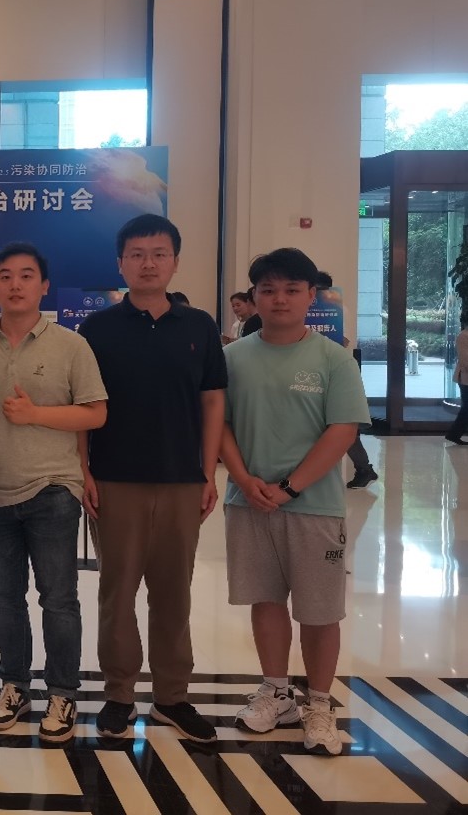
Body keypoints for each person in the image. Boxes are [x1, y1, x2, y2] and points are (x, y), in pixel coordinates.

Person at [78, 214, 227, 744]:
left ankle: (172, 696)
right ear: (120, 263)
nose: (148, 263)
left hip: (182, 480)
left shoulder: (199, 327)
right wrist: (84, 470)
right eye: (137, 254)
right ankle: (119, 693)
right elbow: (84, 406)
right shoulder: (96, 329)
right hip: (115, 480)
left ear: (175, 262)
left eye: (159, 253)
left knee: (174, 593)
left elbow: (213, 402)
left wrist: (207, 472)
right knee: (117, 593)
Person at [220, 248, 370, 756]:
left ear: (311, 295)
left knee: (320, 611)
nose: (279, 299)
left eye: (291, 289)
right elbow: (220, 424)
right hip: (249, 502)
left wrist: (289, 488)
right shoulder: (233, 358)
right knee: (265, 600)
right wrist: (245, 480)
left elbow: (342, 429)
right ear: (254, 296)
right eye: (268, 290)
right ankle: (277, 693)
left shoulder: (334, 358)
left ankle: (320, 703)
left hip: (314, 506)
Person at [0, 243, 107, 743]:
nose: (16, 284)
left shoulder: (72, 345)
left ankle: (63, 692)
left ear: (44, 286)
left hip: (53, 489)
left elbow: (95, 412)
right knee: (5, 598)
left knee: (59, 598)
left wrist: (36, 415)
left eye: (27, 275)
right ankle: (14, 685)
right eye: (5, 276)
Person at [315, 271, 378, 489]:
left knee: (343, 423)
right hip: (320, 370)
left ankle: (364, 468)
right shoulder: (315, 310)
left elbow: (344, 340)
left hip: (337, 371)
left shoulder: (338, 309)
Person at [446, 315, 468, 445]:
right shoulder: (463, 336)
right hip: (465, 378)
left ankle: (453, 434)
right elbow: (465, 360)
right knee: (467, 408)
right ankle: (454, 434)